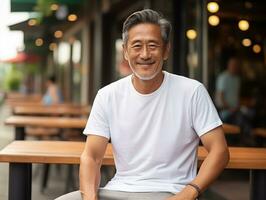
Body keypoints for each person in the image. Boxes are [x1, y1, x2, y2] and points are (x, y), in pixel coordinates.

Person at [56, 9, 229, 200]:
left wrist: (189, 192)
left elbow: (219, 151)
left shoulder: (192, 92)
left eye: (153, 45)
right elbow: (91, 156)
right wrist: (90, 198)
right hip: (118, 191)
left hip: (171, 192)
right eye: (137, 46)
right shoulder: (107, 95)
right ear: (125, 51)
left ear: (166, 50)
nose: (145, 54)